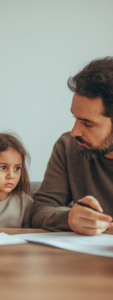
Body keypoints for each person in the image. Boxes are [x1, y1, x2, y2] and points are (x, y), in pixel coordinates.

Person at [31, 57, 113, 236]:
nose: (74, 131)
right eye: (75, 117)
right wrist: (68, 218)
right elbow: (39, 209)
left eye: (88, 124)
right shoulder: (68, 147)